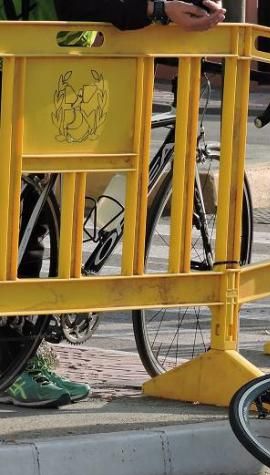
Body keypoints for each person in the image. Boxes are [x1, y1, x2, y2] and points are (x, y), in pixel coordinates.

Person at [0, 0, 225, 408]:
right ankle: (15, 364)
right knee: (23, 223)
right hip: (30, 72)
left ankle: (21, 355)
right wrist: (158, 10)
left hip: (52, 70)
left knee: (32, 212)